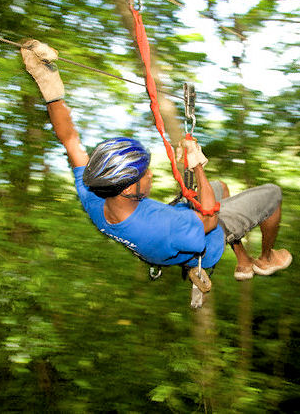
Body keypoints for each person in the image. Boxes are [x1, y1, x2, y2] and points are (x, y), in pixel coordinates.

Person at [20, 40, 292, 281]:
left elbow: (69, 140)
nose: (150, 175)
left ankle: (243, 261)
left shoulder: (94, 195)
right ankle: (265, 258)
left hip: (170, 240)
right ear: (127, 188)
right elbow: (208, 218)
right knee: (272, 194)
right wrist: (196, 165)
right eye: (145, 174)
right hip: (201, 243)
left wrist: (47, 82)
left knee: (221, 188)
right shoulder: (162, 225)